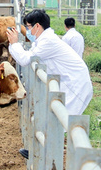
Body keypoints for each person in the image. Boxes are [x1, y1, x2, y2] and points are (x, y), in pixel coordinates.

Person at [8, 10, 94, 159]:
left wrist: (15, 43)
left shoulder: (48, 42)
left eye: (28, 27)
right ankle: (44, 153)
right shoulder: (43, 41)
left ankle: (54, 157)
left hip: (75, 84)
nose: (27, 31)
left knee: (60, 120)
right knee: (56, 119)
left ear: (37, 26)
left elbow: (24, 59)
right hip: (69, 83)